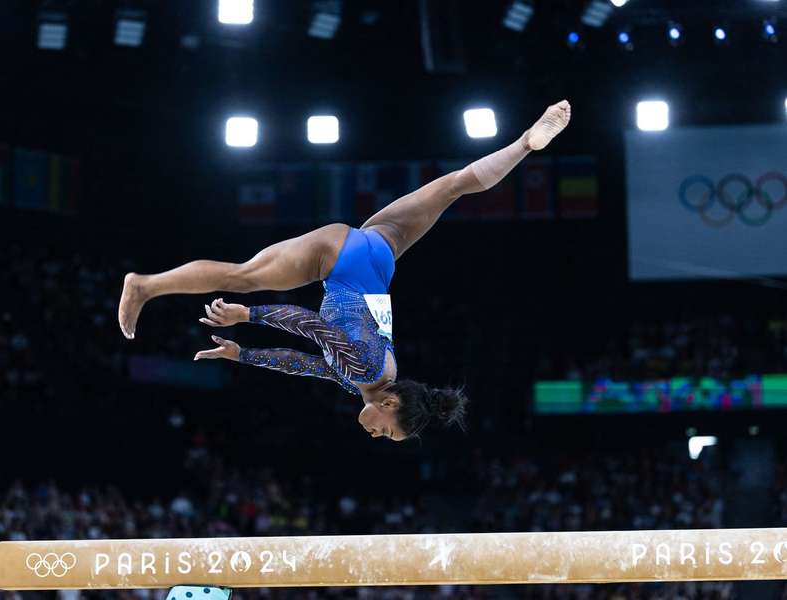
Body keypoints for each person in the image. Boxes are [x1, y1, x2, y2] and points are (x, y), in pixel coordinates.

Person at [118, 101, 571, 441]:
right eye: (388, 432)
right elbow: (312, 326)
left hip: (380, 253)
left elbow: (307, 365)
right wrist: (249, 317)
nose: (376, 436)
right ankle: (145, 286)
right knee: (241, 277)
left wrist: (243, 356)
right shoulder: (368, 367)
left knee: (452, 188)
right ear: (390, 404)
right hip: (341, 261)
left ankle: (525, 142)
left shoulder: (372, 375)